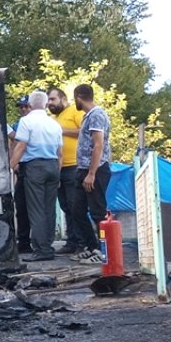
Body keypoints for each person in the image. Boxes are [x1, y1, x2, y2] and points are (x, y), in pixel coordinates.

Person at [9, 91, 63, 261]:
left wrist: (9, 167)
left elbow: (20, 146)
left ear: (30, 105)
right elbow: (60, 152)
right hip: (53, 165)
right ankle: (48, 246)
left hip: (34, 167)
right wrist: (58, 172)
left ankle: (41, 250)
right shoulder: (55, 124)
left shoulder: (26, 121)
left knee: (36, 209)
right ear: (46, 105)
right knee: (49, 209)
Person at [70, 83, 111, 264]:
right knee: (76, 209)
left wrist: (92, 173)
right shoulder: (88, 116)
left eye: (75, 98)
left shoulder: (97, 115)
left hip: (95, 170)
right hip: (83, 169)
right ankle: (91, 246)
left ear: (79, 96)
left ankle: (104, 251)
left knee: (97, 211)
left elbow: (98, 145)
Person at [47, 87, 86, 255]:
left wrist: (61, 130)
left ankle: (83, 243)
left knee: (75, 205)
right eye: (48, 100)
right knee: (65, 206)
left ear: (63, 99)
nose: (50, 103)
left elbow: (85, 132)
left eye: (53, 99)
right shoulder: (54, 118)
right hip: (59, 166)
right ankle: (71, 242)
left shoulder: (75, 112)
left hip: (75, 166)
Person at [9, 95, 33, 251]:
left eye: (26, 106)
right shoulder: (18, 124)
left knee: (36, 207)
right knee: (21, 204)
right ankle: (23, 241)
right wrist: (13, 162)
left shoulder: (39, 123)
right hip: (21, 167)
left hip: (35, 165)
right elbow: (14, 144)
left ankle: (39, 242)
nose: (23, 109)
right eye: (21, 107)